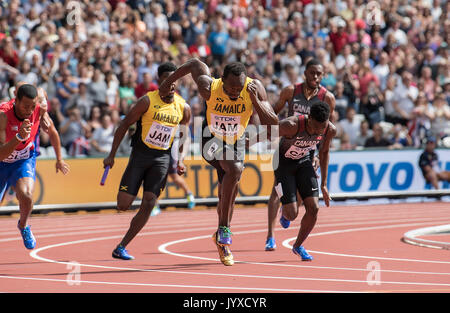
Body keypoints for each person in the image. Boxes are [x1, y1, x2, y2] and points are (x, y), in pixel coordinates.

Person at [159, 58, 278, 266]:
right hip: (210, 138)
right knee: (234, 168)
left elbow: (273, 124)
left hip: (236, 142)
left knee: (229, 193)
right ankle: (224, 229)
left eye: (239, 88)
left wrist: (254, 100)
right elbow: (194, 64)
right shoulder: (209, 87)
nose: (235, 92)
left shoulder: (254, 88)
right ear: (222, 81)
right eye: (231, 87)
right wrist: (167, 81)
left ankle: (222, 242)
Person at [103, 62, 192, 260]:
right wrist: (112, 154)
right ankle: (131, 201)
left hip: (162, 158)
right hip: (140, 156)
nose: (171, 84)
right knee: (123, 205)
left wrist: (181, 159)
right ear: (159, 81)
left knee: (150, 202)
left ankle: (122, 246)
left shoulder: (183, 107)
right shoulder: (147, 101)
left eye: (174, 81)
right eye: (167, 80)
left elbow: (185, 135)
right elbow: (124, 124)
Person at [265, 59, 335, 251]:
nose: (315, 77)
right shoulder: (290, 91)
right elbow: (273, 113)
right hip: (287, 142)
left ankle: (287, 213)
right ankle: (270, 235)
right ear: (304, 73)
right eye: (312, 73)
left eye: (319, 74)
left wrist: (317, 156)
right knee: (275, 191)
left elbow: (326, 129)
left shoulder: (327, 97)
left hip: (308, 149)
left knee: (303, 198)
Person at [0, 84, 69, 249]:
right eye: (25, 106)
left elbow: (52, 132)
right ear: (15, 101)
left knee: (27, 196)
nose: (29, 111)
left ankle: (23, 225)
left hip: (23, 160)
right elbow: (1, 154)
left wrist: (59, 159)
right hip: (2, 161)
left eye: (32, 106)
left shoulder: (39, 110)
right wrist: (18, 137)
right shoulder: (3, 115)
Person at [275, 101, 336, 261]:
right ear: (309, 119)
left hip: (304, 163)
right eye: (315, 128)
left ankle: (297, 245)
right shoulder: (291, 124)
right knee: (292, 214)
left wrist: (324, 184)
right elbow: (266, 132)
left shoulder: (329, 129)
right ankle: (285, 211)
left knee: (314, 208)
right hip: (283, 164)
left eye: (321, 128)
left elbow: (324, 152)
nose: (318, 131)